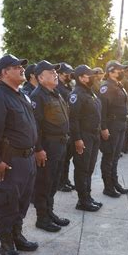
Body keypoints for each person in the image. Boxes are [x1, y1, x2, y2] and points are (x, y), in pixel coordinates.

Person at [0, 54, 38, 255]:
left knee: (22, 202)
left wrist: (37, 149)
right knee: (7, 203)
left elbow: (31, 124)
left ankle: (17, 235)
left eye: (22, 66)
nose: (22, 69)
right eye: (16, 67)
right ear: (4, 72)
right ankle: (6, 243)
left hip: (27, 159)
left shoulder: (21, 95)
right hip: (10, 161)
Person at [30, 60, 70, 233]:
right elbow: (35, 126)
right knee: (44, 182)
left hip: (60, 143)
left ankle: (49, 212)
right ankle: (42, 218)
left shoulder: (55, 92)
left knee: (54, 181)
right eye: (50, 72)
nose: (55, 74)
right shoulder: (37, 96)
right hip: (48, 145)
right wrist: (38, 149)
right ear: (40, 77)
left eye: (55, 71)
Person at [68, 65, 102, 212]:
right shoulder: (77, 94)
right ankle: (82, 200)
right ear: (81, 78)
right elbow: (73, 119)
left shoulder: (89, 92)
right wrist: (77, 139)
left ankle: (87, 196)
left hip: (94, 135)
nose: (93, 77)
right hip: (84, 136)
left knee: (89, 168)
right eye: (90, 75)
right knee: (82, 168)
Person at [98, 60, 128, 198]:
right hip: (112, 125)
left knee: (115, 157)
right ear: (111, 71)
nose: (122, 72)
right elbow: (102, 110)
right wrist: (103, 128)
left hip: (120, 124)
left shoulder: (118, 85)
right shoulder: (106, 87)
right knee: (109, 156)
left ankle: (114, 182)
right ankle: (108, 187)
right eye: (119, 70)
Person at [56, 62, 76, 192]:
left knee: (67, 157)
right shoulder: (58, 88)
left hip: (69, 127)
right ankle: (60, 182)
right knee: (62, 158)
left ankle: (65, 179)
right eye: (67, 73)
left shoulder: (67, 87)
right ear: (60, 74)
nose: (70, 75)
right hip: (63, 128)